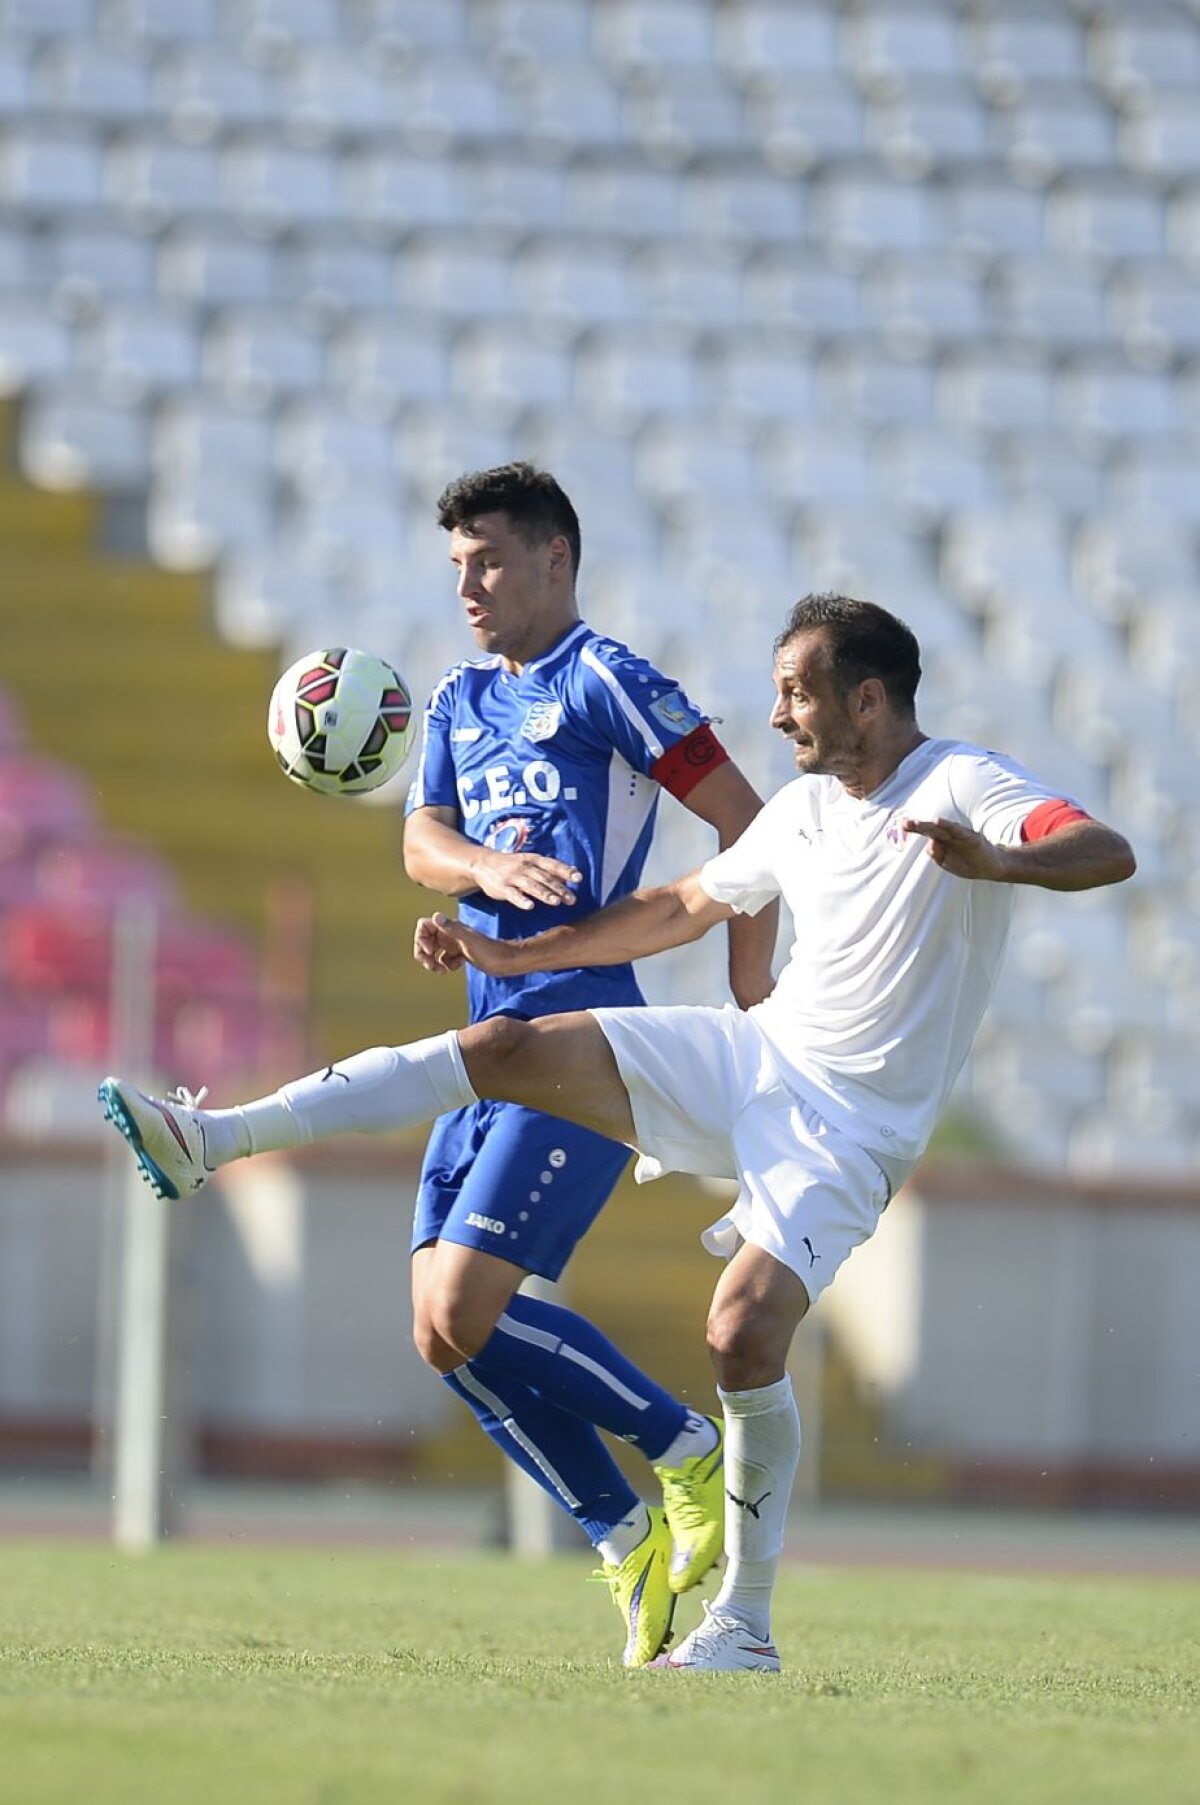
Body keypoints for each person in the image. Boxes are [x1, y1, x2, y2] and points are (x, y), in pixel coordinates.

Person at [99, 593, 1136, 1672]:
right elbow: (680, 904)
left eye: (797, 691)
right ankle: (211, 1137)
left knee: (741, 1332)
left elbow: (1104, 849)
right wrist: (508, 959)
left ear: (865, 696)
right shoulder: (804, 807)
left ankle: (745, 1622)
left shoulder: (963, 782)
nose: (779, 715)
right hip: (757, 1054)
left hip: (854, 1122)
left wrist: (1002, 862)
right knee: (506, 1045)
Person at [108, 461, 778, 1672]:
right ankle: (623, 1533)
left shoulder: (610, 680)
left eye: (491, 561)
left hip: (580, 1034)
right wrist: (476, 878)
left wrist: (749, 986)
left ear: (556, 560)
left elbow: (749, 821)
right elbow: (420, 839)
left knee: (468, 1307)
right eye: (457, 566)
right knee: (439, 1331)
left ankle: (683, 1444)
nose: (467, 586)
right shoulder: (464, 697)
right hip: (483, 1029)